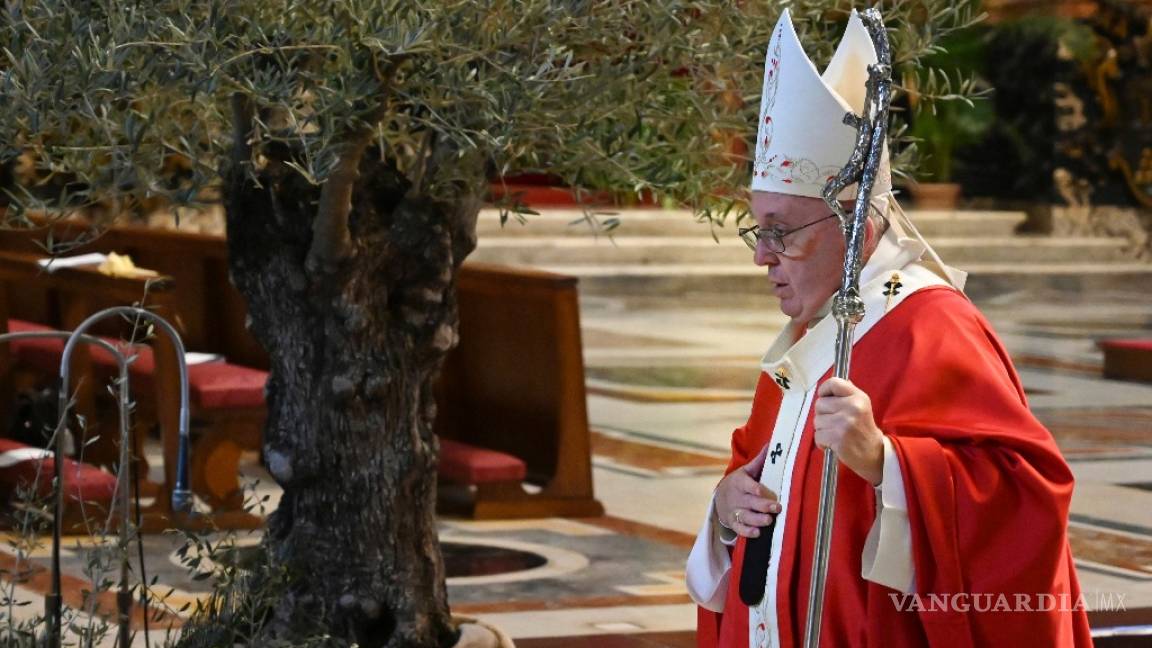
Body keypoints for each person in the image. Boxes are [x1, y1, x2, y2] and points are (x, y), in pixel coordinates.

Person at [685, 8, 1093, 647]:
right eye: (757, 229)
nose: (762, 255)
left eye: (782, 232)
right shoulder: (808, 335)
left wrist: (887, 462)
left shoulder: (933, 326)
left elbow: (1029, 502)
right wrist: (726, 507)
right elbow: (761, 482)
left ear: (855, 228)